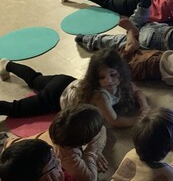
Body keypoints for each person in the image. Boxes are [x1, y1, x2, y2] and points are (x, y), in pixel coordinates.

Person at [0, 49, 150, 128]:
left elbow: (137, 90)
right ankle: (6, 65)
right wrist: (138, 119)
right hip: (55, 97)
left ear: (120, 71)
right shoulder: (100, 96)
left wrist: (144, 106)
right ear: (94, 77)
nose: (109, 81)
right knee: (17, 109)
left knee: (34, 79)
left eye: (112, 74)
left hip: (65, 81)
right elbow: (115, 121)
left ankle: (7, 64)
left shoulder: (122, 80)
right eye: (101, 77)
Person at [92, 107, 173, 181]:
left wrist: (169, 170)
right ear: (172, 147)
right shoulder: (170, 175)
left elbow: (142, 177)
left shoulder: (130, 154)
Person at [4, 105, 108, 181]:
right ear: (85, 140)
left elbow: (101, 129)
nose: (57, 161)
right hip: (12, 162)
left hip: (14, 146)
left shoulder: (61, 130)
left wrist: (96, 149)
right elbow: (91, 180)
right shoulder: (69, 156)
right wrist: (91, 152)